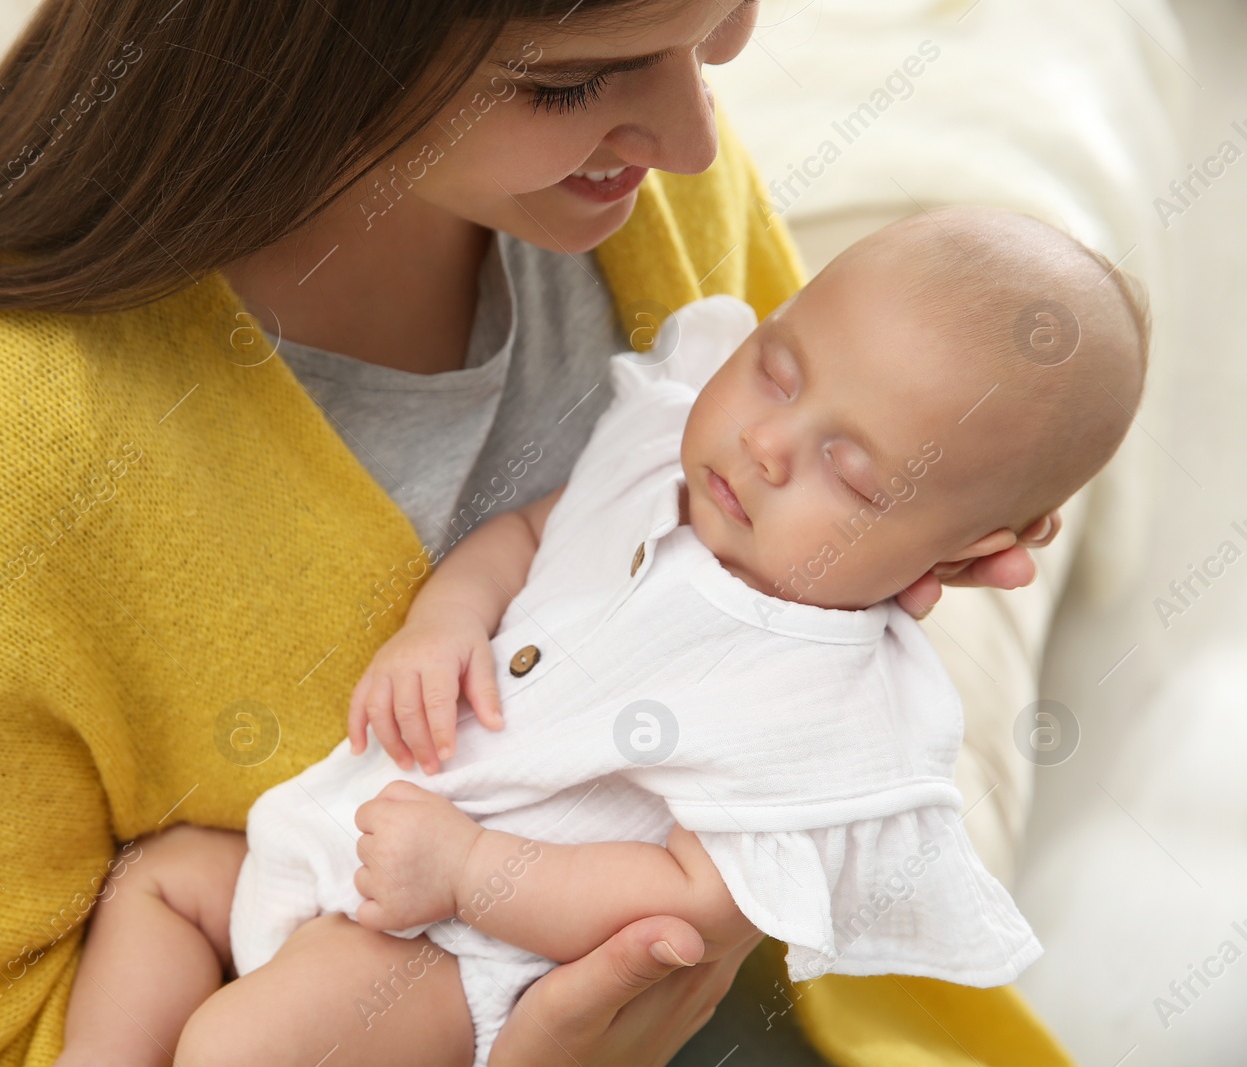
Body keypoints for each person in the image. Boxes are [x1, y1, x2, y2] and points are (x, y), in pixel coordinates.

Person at [0, 1, 1065, 1064]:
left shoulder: (643, 195)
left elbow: (826, 503)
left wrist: (902, 534)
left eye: (722, 20)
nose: (691, 140)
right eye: (569, 83)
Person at [59, 207, 1144, 1065]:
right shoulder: (665, 449)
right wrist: (444, 621)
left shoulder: (830, 708)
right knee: (158, 879)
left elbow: (686, 903)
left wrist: (471, 867)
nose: (766, 442)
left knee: (236, 1046)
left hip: (464, 957)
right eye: (776, 365)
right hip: (333, 834)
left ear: (959, 550)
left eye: (850, 470)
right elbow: (534, 528)